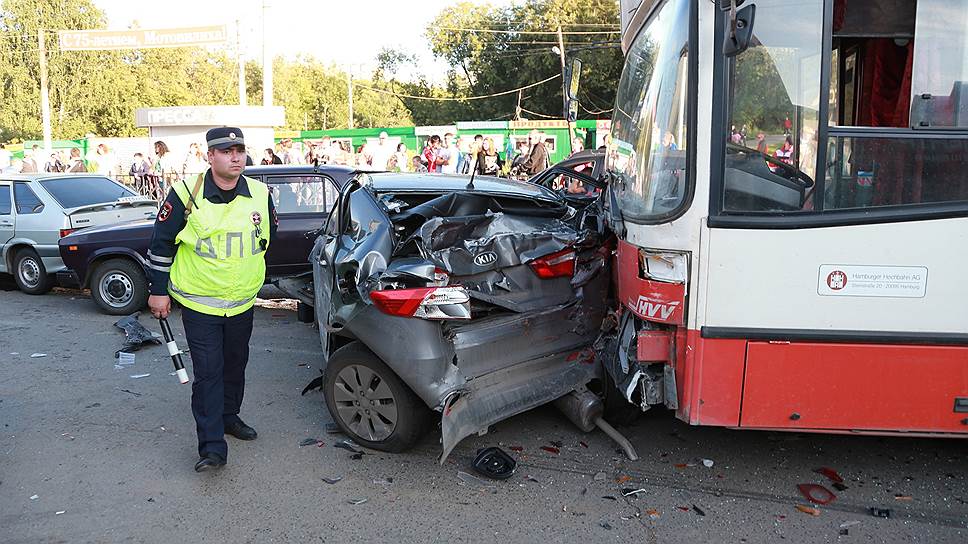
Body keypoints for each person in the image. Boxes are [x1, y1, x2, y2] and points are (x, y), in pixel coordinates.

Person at [146, 127, 277, 473]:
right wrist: (158, 291)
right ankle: (212, 447)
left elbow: (267, 238)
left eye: (240, 150)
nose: (235, 156)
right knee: (209, 374)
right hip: (201, 305)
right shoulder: (186, 193)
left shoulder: (261, 193)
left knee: (236, 366)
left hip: (242, 304)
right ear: (210, 156)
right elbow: (161, 246)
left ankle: (229, 417)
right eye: (226, 150)